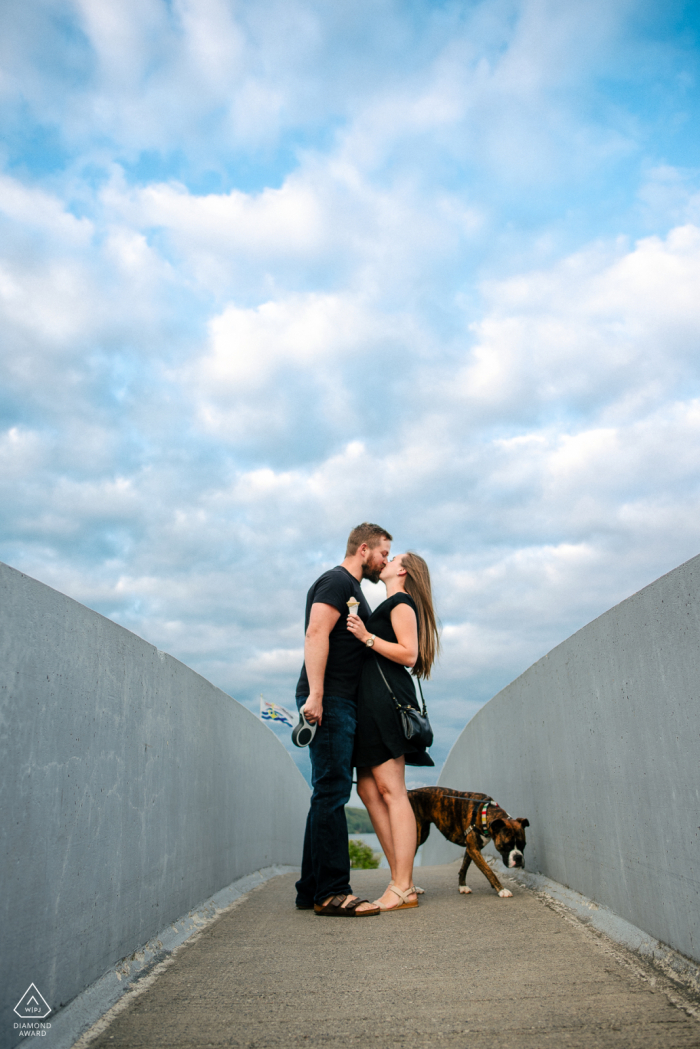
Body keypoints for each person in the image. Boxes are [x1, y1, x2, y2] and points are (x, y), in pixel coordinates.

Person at [295, 522, 393, 916]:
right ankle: (333, 892)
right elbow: (316, 633)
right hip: (330, 698)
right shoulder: (336, 581)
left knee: (327, 791)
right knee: (333, 792)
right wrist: (316, 695)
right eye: (384, 553)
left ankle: (310, 889)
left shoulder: (352, 589)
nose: (385, 560)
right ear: (364, 548)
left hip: (338, 700)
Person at [346, 551, 439, 912]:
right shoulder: (387, 603)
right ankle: (403, 879)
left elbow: (410, 654)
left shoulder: (401, 602)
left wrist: (367, 637)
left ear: (402, 570)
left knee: (391, 789)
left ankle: (402, 887)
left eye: (393, 556)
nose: (385, 560)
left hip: (386, 701)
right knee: (369, 790)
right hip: (370, 702)